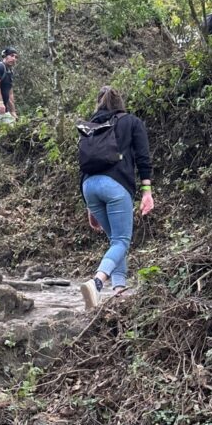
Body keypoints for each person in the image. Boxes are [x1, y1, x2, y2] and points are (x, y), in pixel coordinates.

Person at [79, 86, 153, 310]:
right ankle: (97, 282)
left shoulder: (90, 128)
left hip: (89, 187)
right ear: (120, 101)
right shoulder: (131, 122)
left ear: (98, 104)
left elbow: (83, 166)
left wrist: (90, 207)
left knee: (116, 241)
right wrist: (146, 191)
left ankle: (119, 288)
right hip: (116, 186)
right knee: (122, 240)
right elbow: (143, 157)